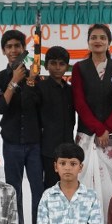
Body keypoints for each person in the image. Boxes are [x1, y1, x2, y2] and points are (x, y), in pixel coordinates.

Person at [71, 23, 112, 224]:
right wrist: (98, 129)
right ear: (88, 42)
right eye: (94, 37)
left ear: (109, 42)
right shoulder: (80, 68)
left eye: (102, 38)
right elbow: (79, 102)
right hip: (87, 135)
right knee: (84, 180)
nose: (98, 41)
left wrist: (107, 129)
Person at [0, 29, 43, 224]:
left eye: (17, 46)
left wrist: (30, 82)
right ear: (3, 50)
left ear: (24, 48)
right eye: (9, 46)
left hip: (35, 143)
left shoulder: (35, 76)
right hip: (12, 143)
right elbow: (0, 107)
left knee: (39, 192)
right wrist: (13, 81)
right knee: (13, 193)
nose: (13, 50)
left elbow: (41, 106)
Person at [36, 46, 75, 188]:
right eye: (53, 63)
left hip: (68, 146)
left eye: (61, 64)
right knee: (50, 186)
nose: (57, 67)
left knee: (68, 186)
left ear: (67, 67)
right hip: (48, 149)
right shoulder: (40, 87)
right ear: (46, 66)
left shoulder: (70, 90)